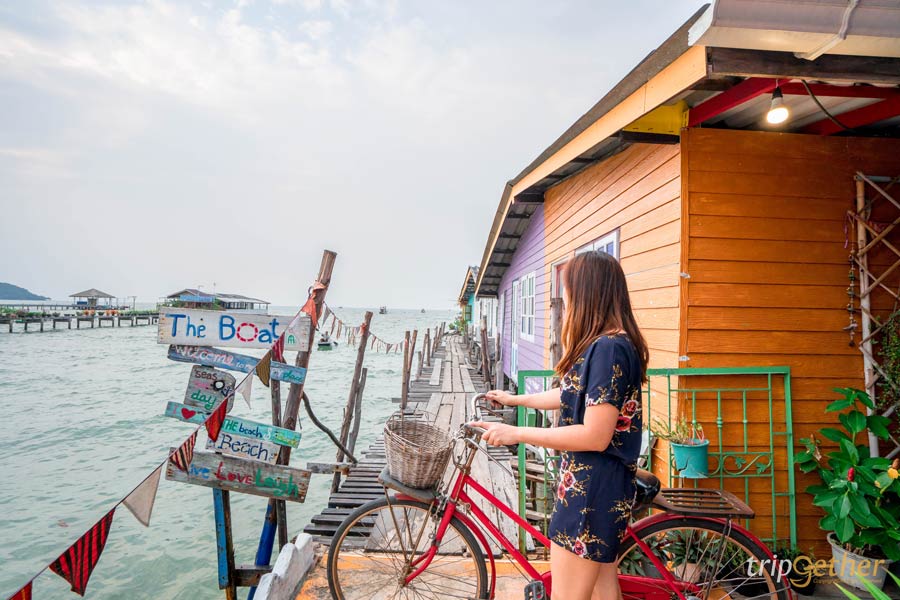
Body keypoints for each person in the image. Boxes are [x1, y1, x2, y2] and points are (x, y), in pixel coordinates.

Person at [470, 251, 648, 600]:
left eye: (567, 290)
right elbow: (572, 394)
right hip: (599, 485)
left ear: (586, 292)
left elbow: (595, 435)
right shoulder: (611, 343)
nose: (565, 299)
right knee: (603, 589)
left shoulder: (608, 349)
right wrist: (516, 400)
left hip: (590, 490)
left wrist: (516, 433)